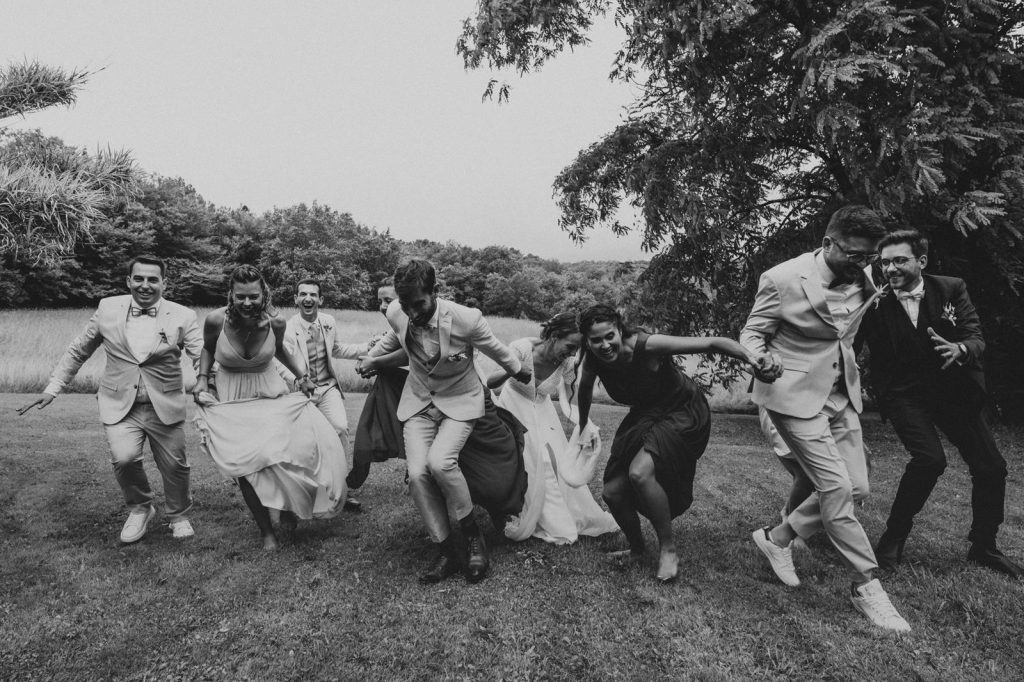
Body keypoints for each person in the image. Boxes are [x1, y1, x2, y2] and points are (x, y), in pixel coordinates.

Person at [741, 204, 911, 632]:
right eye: (855, 255)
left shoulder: (868, 275)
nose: (863, 265)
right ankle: (867, 587)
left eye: (869, 257)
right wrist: (761, 359)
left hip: (841, 393)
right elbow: (753, 332)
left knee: (857, 486)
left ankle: (777, 538)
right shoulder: (781, 278)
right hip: (792, 395)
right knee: (834, 487)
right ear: (827, 243)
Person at [857, 229, 1022, 578]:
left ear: (922, 261)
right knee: (929, 460)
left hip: (953, 393)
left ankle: (984, 546)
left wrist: (960, 349)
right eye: (885, 262)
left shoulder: (951, 288)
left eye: (900, 260)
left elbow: (976, 338)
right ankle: (893, 537)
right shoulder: (873, 301)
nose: (890, 268)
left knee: (991, 467)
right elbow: (850, 346)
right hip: (905, 395)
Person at [575, 304, 777, 582]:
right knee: (612, 491)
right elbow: (584, 390)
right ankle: (637, 549)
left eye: (609, 335)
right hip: (645, 415)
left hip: (681, 410)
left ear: (620, 329)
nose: (604, 345)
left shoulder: (649, 345)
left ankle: (668, 549)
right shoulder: (593, 359)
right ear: (586, 340)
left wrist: (752, 358)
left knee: (639, 472)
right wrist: (582, 426)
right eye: (595, 340)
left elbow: (712, 343)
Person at [362, 259, 531, 584]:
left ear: (435, 292)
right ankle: (445, 551)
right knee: (419, 473)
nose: (412, 313)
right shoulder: (398, 312)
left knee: (441, 463)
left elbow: (498, 351)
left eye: (419, 304)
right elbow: (402, 345)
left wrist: (518, 370)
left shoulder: (467, 319)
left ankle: (472, 539)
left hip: (460, 402)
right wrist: (373, 359)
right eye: (406, 305)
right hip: (419, 401)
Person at [18, 255, 202, 543]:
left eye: (153, 279)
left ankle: (178, 515)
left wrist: (205, 385)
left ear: (164, 283)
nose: (145, 285)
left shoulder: (184, 315)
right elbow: (79, 350)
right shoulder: (107, 308)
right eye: (138, 278)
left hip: (165, 403)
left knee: (175, 465)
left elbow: (200, 355)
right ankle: (141, 508)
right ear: (128, 281)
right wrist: (53, 388)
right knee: (124, 459)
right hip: (119, 403)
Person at [192, 265, 349, 550]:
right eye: (241, 297)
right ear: (231, 294)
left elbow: (278, 351)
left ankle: (289, 505)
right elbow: (207, 348)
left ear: (264, 293)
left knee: (280, 455)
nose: (248, 303)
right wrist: (202, 379)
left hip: (268, 392)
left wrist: (302, 377)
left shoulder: (275, 323)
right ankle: (266, 531)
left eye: (253, 296)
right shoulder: (216, 321)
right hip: (233, 398)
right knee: (245, 465)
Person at [486, 312, 619, 545]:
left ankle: (556, 512)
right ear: (554, 336)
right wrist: (513, 369)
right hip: (514, 406)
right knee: (527, 461)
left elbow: (571, 394)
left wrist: (582, 422)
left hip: (542, 410)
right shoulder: (521, 348)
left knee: (553, 461)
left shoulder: (567, 362)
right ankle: (520, 510)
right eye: (569, 346)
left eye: (576, 349)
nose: (572, 353)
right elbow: (491, 382)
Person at [281, 278, 368, 511]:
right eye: (303, 294)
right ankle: (309, 492)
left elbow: (337, 349)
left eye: (313, 294)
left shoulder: (328, 321)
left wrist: (368, 346)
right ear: (296, 299)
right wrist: (299, 380)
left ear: (321, 299)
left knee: (340, 428)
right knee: (306, 442)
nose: (308, 298)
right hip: (301, 392)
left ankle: (343, 490)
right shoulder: (288, 328)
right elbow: (280, 362)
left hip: (327, 387)